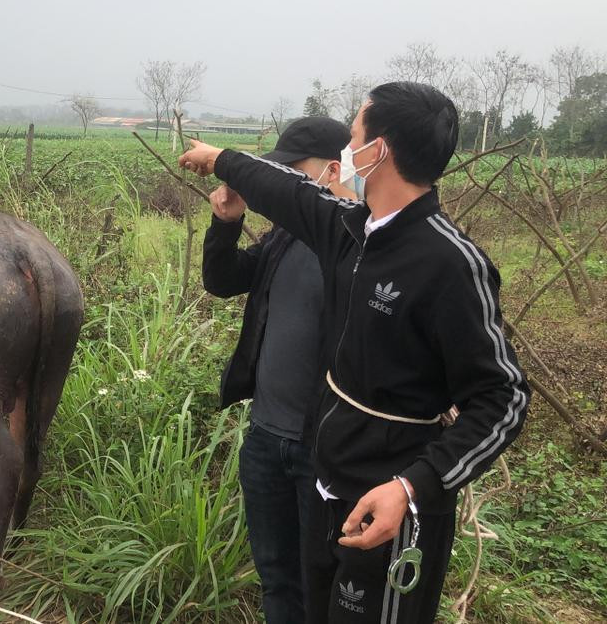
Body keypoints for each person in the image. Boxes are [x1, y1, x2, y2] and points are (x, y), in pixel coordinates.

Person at [180, 81, 530, 624]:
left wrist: (413, 487)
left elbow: (502, 397)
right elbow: (284, 191)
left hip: (391, 498)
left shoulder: (451, 263)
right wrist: (218, 159)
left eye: (356, 132)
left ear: (377, 151)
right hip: (328, 478)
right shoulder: (350, 231)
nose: (348, 148)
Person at [202, 116, 352, 623]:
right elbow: (223, 280)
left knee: (321, 584)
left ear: (333, 172)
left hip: (323, 452)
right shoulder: (285, 237)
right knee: (276, 576)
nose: (277, 182)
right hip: (266, 441)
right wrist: (226, 223)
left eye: (290, 171)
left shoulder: (361, 248)